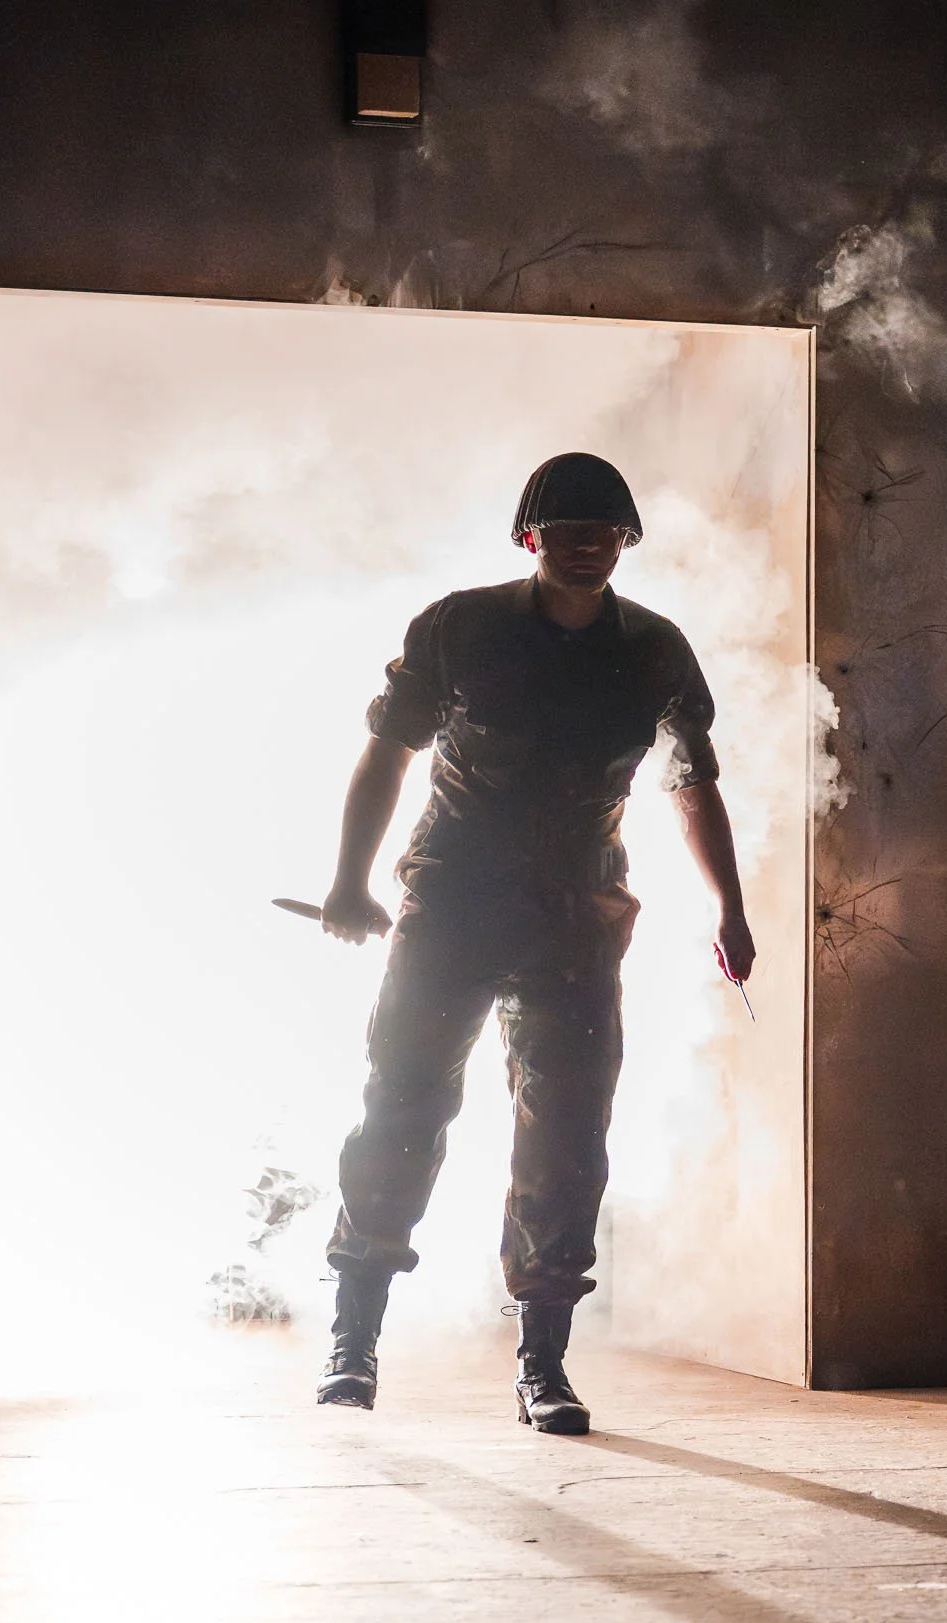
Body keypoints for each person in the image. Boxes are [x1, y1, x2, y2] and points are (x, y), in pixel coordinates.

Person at [312, 452, 756, 1435]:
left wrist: (729, 904)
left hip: (576, 909)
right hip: (457, 895)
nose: (588, 548)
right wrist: (348, 879)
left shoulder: (654, 650)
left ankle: (542, 1365)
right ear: (530, 539)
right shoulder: (460, 628)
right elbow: (388, 751)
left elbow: (691, 781)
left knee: (565, 1135)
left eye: (605, 534)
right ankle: (353, 1341)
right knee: (402, 1103)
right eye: (567, 532)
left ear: (626, 543)